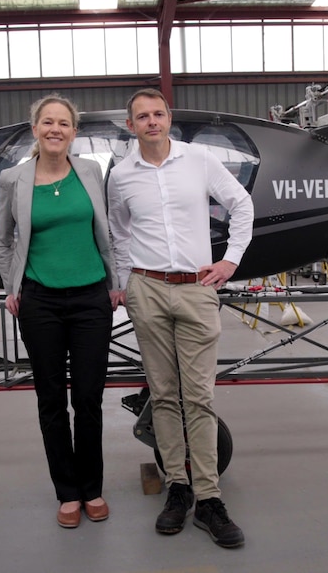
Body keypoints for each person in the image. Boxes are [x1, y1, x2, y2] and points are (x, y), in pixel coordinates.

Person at [107, 88, 254, 549]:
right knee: (165, 396)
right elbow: (117, 231)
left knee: (200, 396)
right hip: (146, 289)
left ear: (168, 119)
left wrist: (229, 261)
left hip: (196, 288)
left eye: (158, 114)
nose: (151, 121)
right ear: (130, 126)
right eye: (142, 116)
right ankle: (177, 488)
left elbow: (241, 205)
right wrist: (124, 282)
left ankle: (209, 498)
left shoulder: (200, 160)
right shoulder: (122, 174)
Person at [0, 93, 118, 529]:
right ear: (35, 129)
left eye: (63, 123)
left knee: (88, 398)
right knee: (51, 401)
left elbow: (106, 232)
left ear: (74, 132)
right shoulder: (15, 179)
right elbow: (2, 239)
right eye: (48, 122)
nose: (55, 130)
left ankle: (92, 488)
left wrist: (114, 283)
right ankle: (67, 493)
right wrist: (13, 287)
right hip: (40, 301)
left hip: (90, 300)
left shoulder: (90, 171)